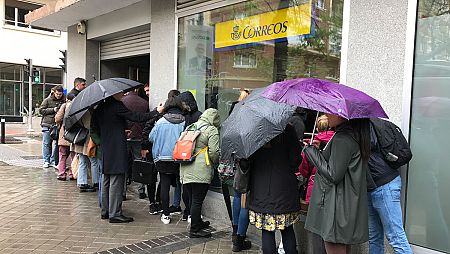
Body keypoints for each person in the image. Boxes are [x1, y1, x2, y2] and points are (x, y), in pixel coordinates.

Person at [303, 115, 370, 254]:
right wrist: (320, 149)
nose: (327, 115)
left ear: (345, 117)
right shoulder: (354, 136)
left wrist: (311, 153)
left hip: (337, 207)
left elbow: (334, 175)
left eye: (332, 112)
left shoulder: (342, 138)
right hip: (347, 204)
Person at [93, 93, 162, 223]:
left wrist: (119, 130)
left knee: (106, 179)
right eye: (121, 93)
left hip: (106, 147)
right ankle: (115, 214)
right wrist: (155, 112)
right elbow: (136, 117)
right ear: (114, 94)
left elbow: (100, 127)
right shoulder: (117, 106)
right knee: (116, 180)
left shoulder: (100, 107)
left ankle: (106, 211)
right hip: (117, 148)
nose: (123, 94)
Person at [242, 124, 303, 254]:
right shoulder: (287, 129)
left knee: (267, 231)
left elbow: (247, 160)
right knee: (287, 229)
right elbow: (296, 161)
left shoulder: (254, 130)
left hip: (261, 189)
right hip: (284, 189)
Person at [366, 122, 412, 254]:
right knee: (374, 237)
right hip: (371, 186)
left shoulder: (367, 127)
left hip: (384, 185)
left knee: (396, 238)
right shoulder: (371, 125)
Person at [180, 108, 220, 238]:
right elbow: (214, 152)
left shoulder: (191, 126)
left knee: (192, 198)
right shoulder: (211, 129)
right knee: (197, 201)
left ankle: (198, 222)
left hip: (185, 168)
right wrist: (215, 163)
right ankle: (195, 229)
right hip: (200, 170)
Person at [149, 96, 186, 225]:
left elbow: (151, 137)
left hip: (162, 158)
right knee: (182, 184)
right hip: (179, 158)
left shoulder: (160, 122)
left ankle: (165, 214)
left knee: (164, 184)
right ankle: (188, 213)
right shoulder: (184, 122)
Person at [173, 91, 203, 219]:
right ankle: (190, 213)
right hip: (193, 155)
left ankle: (188, 212)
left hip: (184, 155)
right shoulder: (198, 116)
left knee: (187, 186)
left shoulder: (184, 117)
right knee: (191, 188)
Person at [122, 89, 150, 200]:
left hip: (125, 136)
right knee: (139, 163)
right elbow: (146, 120)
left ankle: (122, 192)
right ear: (137, 90)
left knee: (123, 164)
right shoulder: (144, 102)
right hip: (139, 136)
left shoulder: (122, 101)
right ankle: (141, 190)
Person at [39, 85, 65, 168]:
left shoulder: (64, 100)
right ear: (54, 92)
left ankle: (53, 160)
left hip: (58, 125)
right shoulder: (47, 100)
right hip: (47, 124)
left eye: (60, 94)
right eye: (57, 94)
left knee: (57, 144)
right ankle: (46, 160)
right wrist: (53, 109)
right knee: (47, 143)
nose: (58, 96)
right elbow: (41, 110)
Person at [54, 93, 76, 180]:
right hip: (74, 135)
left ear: (67, 99)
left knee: (62, 156)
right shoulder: (77, 106)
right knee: (73, 156)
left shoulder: (64, 106)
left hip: (64, 135)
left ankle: (61, 174)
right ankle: (72, 174)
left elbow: (57, 118)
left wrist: (60, 124)